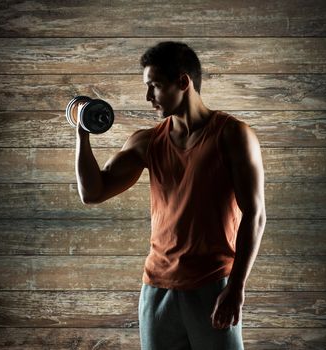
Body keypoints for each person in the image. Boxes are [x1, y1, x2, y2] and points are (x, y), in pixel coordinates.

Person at [75, 41, 266, 350]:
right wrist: (82, 132)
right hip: (156, 288)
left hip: (212, 284)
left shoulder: (233, 135)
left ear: (183, 82)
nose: (148, 97)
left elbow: (255, 215)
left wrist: (236, 288)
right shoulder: (147, 142)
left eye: (155, 86)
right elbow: (92, 192)